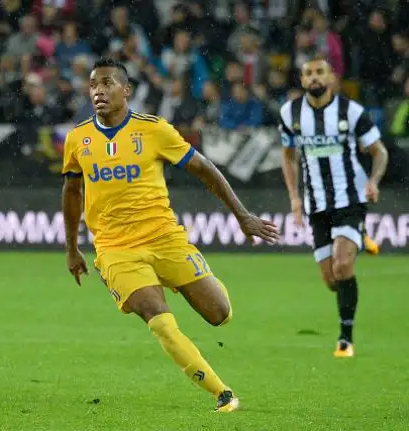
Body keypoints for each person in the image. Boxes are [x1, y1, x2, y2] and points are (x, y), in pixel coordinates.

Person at [61, 58, 280, 413]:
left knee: (219, 313)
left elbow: (204, 169)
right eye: (93, 85)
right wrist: (72, 248)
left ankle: (185, 281)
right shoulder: (77, 139)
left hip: (165, 238)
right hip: (116, 249)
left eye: (107, 83)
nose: (98, 91)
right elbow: (72, 192)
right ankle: (222, 393)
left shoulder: (154, 130)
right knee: (159, 319)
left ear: (126, 90)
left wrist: (242, 216)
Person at [279, 57, 389, 358]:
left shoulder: (351, 111)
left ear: (331, 78)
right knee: (331, 280)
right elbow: (288, 156)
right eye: (308, 73)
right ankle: (359, 239)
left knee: (342, 266)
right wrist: (294, 198)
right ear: (302, 80)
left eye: (320, 72)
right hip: (316, 204)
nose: (314, 78)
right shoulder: (290, 113)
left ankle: (345, 339)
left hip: (350, 198)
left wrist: (374, 181)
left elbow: (379, 152)